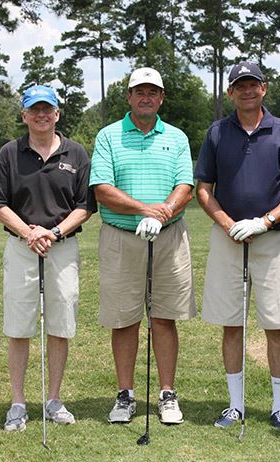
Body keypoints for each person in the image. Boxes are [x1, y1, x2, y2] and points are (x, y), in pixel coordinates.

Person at [195, 61, 280, 429]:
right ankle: (235, 405)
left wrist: (265, 221)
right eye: (240, 85)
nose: (247, 90)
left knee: (275, 324)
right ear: (230, 92)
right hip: (229, 240)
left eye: (253, 84)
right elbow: (203, 190)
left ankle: (279, 406)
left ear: (264, 88)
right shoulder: (216, 133)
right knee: (232, 323)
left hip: (273, 241)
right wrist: (229, 225)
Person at [89, 67, 196, 425]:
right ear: (129, 97)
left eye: (153, 92)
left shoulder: (177, 137)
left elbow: (185, 186)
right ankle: (125, 395)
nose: (146, 97)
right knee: (124, 319)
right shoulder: (108, 136)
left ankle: (167, 394)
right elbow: (102, 189)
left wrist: (162, 213)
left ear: (161, 98)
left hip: (169, 237)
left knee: (164, 317)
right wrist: (143, 209)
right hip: (121, 237)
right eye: (139, 92)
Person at [0, 84, 97, 432]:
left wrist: (54, 232)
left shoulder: (76, 153)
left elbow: (84, 206)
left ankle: (53, 400)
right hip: (22, 248)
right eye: (34, 109)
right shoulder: (9, 153)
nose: (41, 115)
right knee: (19, 327)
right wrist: (29, 233)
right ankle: (18, 403)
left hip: (62, 248)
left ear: (57, 114)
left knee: (60, 326)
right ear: (24, 116)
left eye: (47, 109)